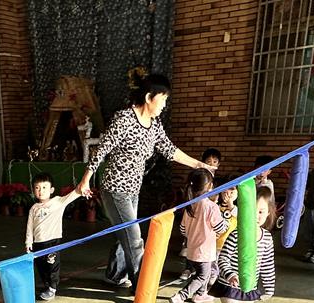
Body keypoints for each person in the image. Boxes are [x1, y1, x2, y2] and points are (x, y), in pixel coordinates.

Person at [75, 72, 215, 289]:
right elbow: (101, 150)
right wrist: (86, 179)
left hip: (133, 189)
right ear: (149, 97)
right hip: (115, 188)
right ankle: (142, 288)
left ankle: (114, 275)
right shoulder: (124, 119)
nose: (164, 105)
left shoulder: (154, 124)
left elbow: (169, 150)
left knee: (125, 233)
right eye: (163, 99)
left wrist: (198, 164)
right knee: (134, 239)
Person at [208, 187, 276, 303]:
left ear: (268, 213)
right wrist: (230, 274)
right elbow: (223, 258)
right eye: (253, 211)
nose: (257, 216)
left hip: (249, 286)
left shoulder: (267, 238)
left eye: (261, 212)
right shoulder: (236, 234)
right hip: (228, 285)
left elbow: (267, 264)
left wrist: (269, 288)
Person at [170, 168, 227, 303]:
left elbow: (182, 229)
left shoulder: (190, 205)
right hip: (205, 251)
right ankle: (180, 296)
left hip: (192, 249)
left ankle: (200, 295)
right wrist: (226, 222)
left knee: (204, 273)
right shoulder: (211, 207)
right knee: (202, 276)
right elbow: (220, 228)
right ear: (210, 187)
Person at [25, 172, 81, 301]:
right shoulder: (34, 208)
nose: (41, 191)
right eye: (37, 188)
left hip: (52, 242)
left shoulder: (58, 202)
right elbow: (29, 227)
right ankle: (47, 285)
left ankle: (52, 288)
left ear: (51, 190)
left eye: (44, 187)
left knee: (52, 265)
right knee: (41, 266)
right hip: (38, 243)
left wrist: (83, 188)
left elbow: (74, 194)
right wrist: (28, 242)